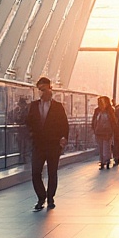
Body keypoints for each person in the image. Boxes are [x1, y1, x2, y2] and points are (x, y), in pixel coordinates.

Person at [26, 76, 69, 211]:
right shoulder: (33, 106)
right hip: (38, 145)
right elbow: (28, 122)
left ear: (50, 89)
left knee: (52, 172)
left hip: (53, 145)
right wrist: (31, 135)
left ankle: (50, 198)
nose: (41, 92)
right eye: (39, 90)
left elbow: (64, 125)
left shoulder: (58, 107)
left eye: (43, 89)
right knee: (35, 172)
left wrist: (63, 139)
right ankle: (41, 196)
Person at [92, 95, 117, 169]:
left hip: (107, 131)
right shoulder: (99, 110)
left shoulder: (109, 110)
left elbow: (113, 120)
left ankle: (105, 160)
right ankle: (104, 160)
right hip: (100, 131)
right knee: (102, 147)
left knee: (106, 146)